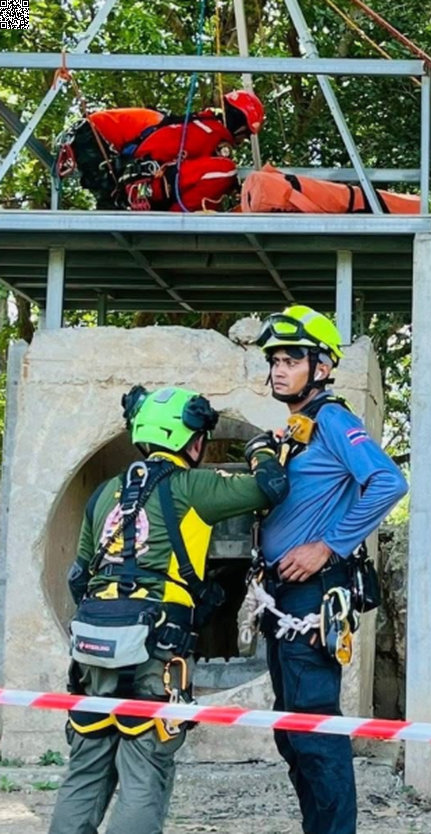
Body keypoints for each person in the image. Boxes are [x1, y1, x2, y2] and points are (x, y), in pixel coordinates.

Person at [48, 385, 288, 834]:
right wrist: (261, 450)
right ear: (192, 441)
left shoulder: (105, 494)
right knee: (144, 768)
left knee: (86, 767)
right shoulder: (193, 486)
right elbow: (271, 488)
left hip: (93, 648)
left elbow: (79, 577)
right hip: (156, 648)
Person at [254, 305, 407, 834]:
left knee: (314, 730)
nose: (278, 368)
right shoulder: (300, 427)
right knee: (291, 730)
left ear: (321, 367)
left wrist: (328, 546)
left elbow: (388, 483)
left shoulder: (335, 420)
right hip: (283, 595)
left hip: (312, 596)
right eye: (274, 359)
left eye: (292, 359)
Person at [54, 89, 264, 211]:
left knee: (112, 209)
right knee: (225, 169)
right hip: (94, 138)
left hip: (99, 140)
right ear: (239, 125)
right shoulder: (204, 131)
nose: (243, 140)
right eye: (245, 135)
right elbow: (152, 150)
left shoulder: (199, 127)